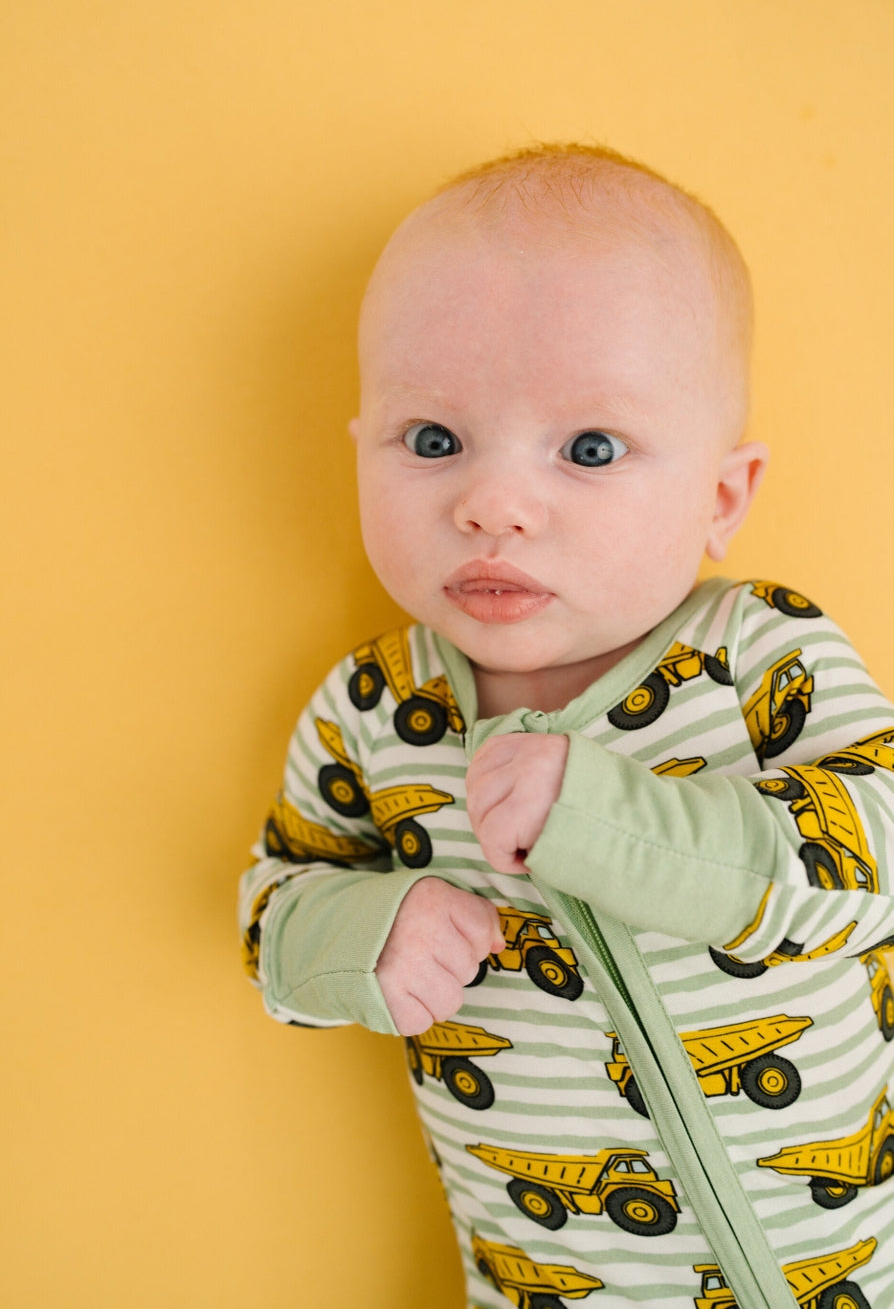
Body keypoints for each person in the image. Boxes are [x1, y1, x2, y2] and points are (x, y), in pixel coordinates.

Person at [239, 144, 894, 1308]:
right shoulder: (374, 712)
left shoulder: (758, 653)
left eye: (589, 449)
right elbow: (273, 902)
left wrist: (614, 821)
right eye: (433, 440)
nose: (491, 502)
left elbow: (876, 855)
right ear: (363, 453)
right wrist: (364, 932)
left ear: (721, 497)